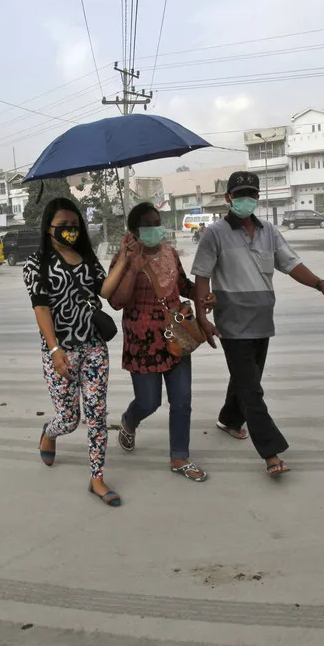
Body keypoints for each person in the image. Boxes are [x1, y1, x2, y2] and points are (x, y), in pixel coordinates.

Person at [191, 171, 324, 478]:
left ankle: (229, 420)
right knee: (252, 390)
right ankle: (271, 453)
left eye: (251, 194)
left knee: (245, 379)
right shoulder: (215, 234)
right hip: (232, 325)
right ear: (228, 198)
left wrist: (321, 285)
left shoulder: (269, 231)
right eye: (240, 194)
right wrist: (202, 317)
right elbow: (202, 277)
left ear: (257, 198)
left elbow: (291, 264)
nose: (246, 200)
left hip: (262, 322)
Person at [23, 198, 131, 507]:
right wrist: (55, 350)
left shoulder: (86, 256)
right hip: (60, 350)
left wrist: (123, 258)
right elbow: (41, 307)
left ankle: (97, 478)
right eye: (64, 225)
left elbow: (105, 291)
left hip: (94, 346)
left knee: (96, 414)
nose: (71, 230)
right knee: (70, 418)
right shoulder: (36, 263)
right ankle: (51, 431)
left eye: (75, 225)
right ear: (48, 228)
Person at [109, 203, 213, 482]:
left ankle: (179, 456)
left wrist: (204, 296)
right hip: (141, 342)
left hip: (175, 336)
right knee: (149, 401)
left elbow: (183, 285)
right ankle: (129, 421)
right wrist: (133, 268)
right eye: (148, 224)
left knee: (182, 400)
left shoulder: (170, 253)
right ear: (134, 231)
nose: (156, 228)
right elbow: (116, 301)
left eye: (158, 222)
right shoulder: (122, 259)